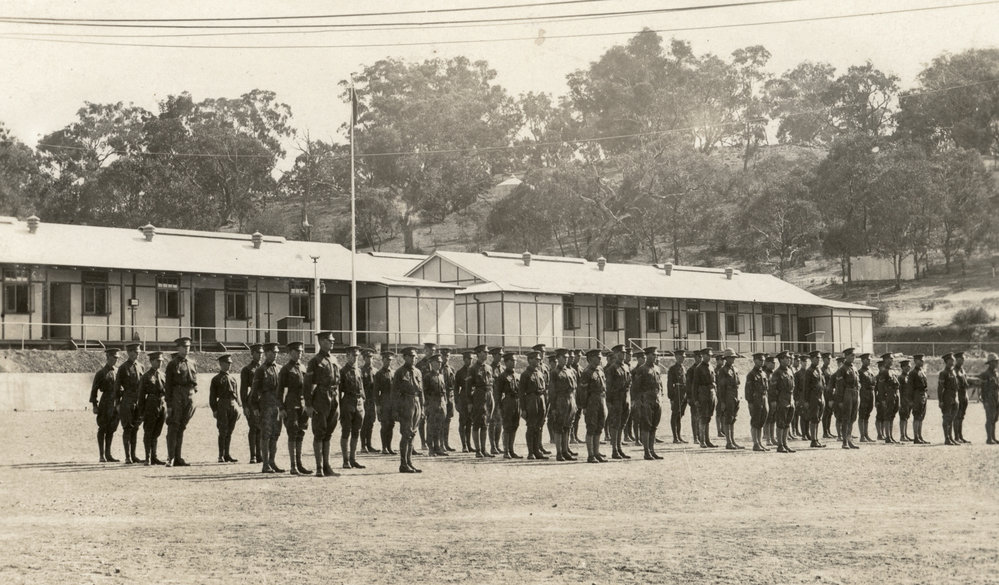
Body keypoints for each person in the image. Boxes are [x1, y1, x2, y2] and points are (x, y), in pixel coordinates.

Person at [305, 332, 339, 477]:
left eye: (332, 340)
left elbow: (338, 381)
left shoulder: (334, 359)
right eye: (330, 340)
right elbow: (307, 384)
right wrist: (308, 404)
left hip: (333, 396)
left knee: (329, 433)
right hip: (320, 397)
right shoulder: (314, 361)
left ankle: (327, 466)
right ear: (321, 342)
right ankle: (319, 467)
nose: (333, 342)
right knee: (319, 432)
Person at [165, 337, 198, 467]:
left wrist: (193, 392)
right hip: (177, 396)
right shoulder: (173, 364)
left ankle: (178, 457)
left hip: (189, 396)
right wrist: (169, 404)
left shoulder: (192, 363)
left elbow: (195, 380)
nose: (186, 349)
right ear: (178, 348)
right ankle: (171, 457)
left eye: (188, 347)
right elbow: (168, 385)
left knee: (182, 427)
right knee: (174, 426)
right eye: (184, 347)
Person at [253, 342, 284, 473]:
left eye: (276, 352)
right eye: (272, 352)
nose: (275, 355)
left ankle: (272, 461)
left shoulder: (280, 369)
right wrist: (255, 407)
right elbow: (255, 390)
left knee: (276, 434)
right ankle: (265, 464)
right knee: (265, 435)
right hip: (265, 405)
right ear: (266, 353)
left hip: (277, 406)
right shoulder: (261, 370)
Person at [392, 347, 424, 473]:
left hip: (416, 402)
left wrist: (422, 408)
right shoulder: (400, 372)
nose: (413, 359)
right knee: (406, 433)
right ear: (404, 357)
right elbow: (394, 392)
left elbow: (421, 391)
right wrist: (395, 410)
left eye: (415, 356)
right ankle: (403, 464)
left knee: (413, 434)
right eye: (410, 356)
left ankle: (410, 462)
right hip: (405, 403)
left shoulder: (418, 372)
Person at [632, 347, 664, 460]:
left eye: (656, 355)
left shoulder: (657, 368)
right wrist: (638, 401)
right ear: (647, 355)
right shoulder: (642, 369)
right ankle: (646, 452)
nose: (655, 357)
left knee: (654, 426)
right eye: (653, 355)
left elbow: (660, 384)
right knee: (646, 425)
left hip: (656, 399)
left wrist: (661, 396)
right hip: (646, 400)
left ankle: (652, 450)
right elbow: (635, 387)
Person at [115, 342, 144, 464]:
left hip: (138, 400)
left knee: (136, 428)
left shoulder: (141, 367)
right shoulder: (123, 368)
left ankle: (134, 455)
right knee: (127, 428)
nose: (138, 354)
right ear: (129, 352)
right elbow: (117, 386)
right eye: (135, 352)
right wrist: (117, 403)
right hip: (127, 400)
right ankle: (127, 456)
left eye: (138, 352)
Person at [90, 347, 120, 463]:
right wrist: (94, 405)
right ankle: (101, 455)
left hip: (115, 402)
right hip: (105, 402)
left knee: (111, 429)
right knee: (102, 427)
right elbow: (94, 390)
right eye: (113, 357)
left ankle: (109, 454)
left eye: (117, 358)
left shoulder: (118, 371)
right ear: (107, 357)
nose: (115, 360)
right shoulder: (101, 373)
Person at [209, 354, 241, 463]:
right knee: (223, 431)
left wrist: (238, 407)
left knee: (230, 431)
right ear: (221, 364)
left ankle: (227, 454)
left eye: (230, 363)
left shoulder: (233, 378)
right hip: (222, 404)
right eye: (227, 363)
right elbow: (212, 396)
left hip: (233, 404)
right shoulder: (216, 379)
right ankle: (220, 455)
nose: (229, 365)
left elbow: (236, 394)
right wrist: (214, 409)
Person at [338, 346, 367, 469]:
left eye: (357, 355)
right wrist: (339, 407)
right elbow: (339, 391)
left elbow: (362, 387)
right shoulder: (343, 371)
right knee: (346, 431)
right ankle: (345, 460)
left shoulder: (359, 370)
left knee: (356, 431)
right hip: (347, 402)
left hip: (359, 402)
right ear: (347, 356)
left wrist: (363, 400)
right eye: (353, 355)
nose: (355, 358)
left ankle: (353, 459)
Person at [579, 348, 609, 463]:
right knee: (591, 427)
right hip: (591, 401)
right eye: (598, 357)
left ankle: (597, 452)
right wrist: (584, 406)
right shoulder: (586, 372)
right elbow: (583, 391)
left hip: (601, 399)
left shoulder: (600, 370)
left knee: (599, 427)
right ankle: (590, 455)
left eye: (600, 357)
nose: (600, 359)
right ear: (591, 359)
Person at [137, 351, 167, 465]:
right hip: (151, 403)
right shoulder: (146, 376)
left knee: (157, 431)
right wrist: (141, 412)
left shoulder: (163, 375)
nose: (160, 363)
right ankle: (148, 457)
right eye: (157, 361)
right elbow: (141, 395)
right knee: (149, 431)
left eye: (161, 361)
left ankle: (154, 456)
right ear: (151, 361)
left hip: (161, 404)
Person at [520, 350, 549, 460]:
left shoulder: (540, 373)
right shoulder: (525, 374)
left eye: (539, 359)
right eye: (536, 359)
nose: (538, 361)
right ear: (530, 360)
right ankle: (531, 452)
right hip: (531, 400)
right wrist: (523, 409)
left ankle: (537, 450)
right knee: (531, 426)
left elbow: (544, 389)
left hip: (541, 399)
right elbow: (521, 393)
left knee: (539, 426)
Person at [604, 345, 632, 458]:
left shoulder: (626, 367)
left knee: (622, 424)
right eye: (621, 352)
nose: (624, 354)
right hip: (616, 399)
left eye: (624, 352)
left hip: (625, 398)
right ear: (615, 354)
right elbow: (608, 386)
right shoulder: (612, 369)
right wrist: (609, 401)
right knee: (615, 424)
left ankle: (620, 448)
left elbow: (629, 382)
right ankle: (614, 449)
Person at [496, 352, 523, 459]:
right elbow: (498, 393)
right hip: (507, 401)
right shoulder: (502, 376)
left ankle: (511, 450)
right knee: (507, 426)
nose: (514, 362)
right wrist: (498, 406)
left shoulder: (517, 375)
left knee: (515, 425)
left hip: (517, 401)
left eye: (515, 360)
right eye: (512, 361)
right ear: (506, 362)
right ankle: (506, 451)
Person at [239, 344, 263, 464]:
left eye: (261, 353)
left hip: (263, 401)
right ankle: (253, 455)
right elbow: (243, 389)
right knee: (253, 427)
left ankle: (260, 454)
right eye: (258, 353)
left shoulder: (264, 367)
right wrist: (245, 406)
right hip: (252, 400)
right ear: (252, 354)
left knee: (262, 428)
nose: (260, 355)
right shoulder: (247, 370)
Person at [422, 353, 449, 457]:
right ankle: (431, 448)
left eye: (440, 362)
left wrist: (445, 402)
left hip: (441, 403)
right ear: (432, 363)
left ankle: (438, 447)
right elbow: (425, 392)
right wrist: (426, 406)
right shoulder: (428, 377)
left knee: (440, 426)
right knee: (431, 426)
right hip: (432, 403)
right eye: (437, 362)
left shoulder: (441, 376)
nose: (439, 364)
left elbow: (444, 391)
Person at [717, 348, 743, 450]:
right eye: (731, 357)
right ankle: (728, 442)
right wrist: (722, 401)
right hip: (727, 395)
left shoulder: (735, 369)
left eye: (733, 357)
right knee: (728, 418)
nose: (733, 359)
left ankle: (733, 440)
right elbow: (721, 388)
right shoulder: (722, 371)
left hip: (735, 395)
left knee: (733, 419)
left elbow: (738, 383)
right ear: (726, 358)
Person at [835, 348, 860, 450]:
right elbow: (839, 386)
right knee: (846, 418)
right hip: (847, 393)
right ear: (846, 356)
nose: (853, 357)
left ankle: (850, 440)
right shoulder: (842, 369)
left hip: (855, 393)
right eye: (851, 355)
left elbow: (858, 382)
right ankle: (844, 441)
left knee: (853, 418)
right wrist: (840, 400)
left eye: (854, 355)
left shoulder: (854, 368)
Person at [693, 348, 718, 449]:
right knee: (703, 417)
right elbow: (695, 385)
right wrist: (696, 399)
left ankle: (708, 440)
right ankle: (702, 440)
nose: (709, 357)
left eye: (710, 355)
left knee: (708, 417)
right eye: (707, 355)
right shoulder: (699, 368)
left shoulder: (711, 367)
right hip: (702, 394)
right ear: (703, 356)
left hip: (711, 394)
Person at [772, 351, 796, 454]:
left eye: (789, 358)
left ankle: (785, 443)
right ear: (781, 360)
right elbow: (773, 389)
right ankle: (780, 445)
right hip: (781, 399)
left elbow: (793, 386)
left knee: (787, 422)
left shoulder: (790, 371)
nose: (789, 359)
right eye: (786, 358)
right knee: (780, 422)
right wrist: (774, 401)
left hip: (790, 399)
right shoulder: (777, 373)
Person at [745, 353, 770, 452]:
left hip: (764, 398)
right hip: (755, 399)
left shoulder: (763, 373)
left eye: (763, 360)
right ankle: (755, 443)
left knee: (762, 421)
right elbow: (748, 390)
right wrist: (750, 402)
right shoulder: (751, 374)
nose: (762, 362)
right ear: (755, 361)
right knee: (755, 421)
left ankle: (760, 442)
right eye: (760, 360)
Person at [415, 342, 437, 453]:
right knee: (422, 419)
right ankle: (423, 442)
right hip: (423, 395)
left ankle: (431, 442)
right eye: (430, 350)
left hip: (433, 396)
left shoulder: (437, 363)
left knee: (432, 419)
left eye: (433, 350)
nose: (432, 352)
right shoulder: (420, 365)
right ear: (425, 351)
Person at [374, 350, 396, 456]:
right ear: (382, 360)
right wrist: (378, 405)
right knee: (385, 425)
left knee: (391, 425)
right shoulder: (379, 374)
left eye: (390, 360)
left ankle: (389, 447)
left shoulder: (394, 373)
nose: (388, 362)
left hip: (393, 402)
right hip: (384, 401)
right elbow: (376, 391)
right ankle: (384, 447)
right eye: (387, 360)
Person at [874, 356, 900, 445]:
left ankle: (891, 436)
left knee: (892, 416)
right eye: (890, 359)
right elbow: (880, 387)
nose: (891, 360)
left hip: (894, 395)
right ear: (885, 360)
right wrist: (882, 399)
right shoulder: (884, 372)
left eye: (892, 359)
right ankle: (887, 437)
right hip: (887, 396)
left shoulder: (892, 371)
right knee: (887, 416)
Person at [803, 351, 826, 448]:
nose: (818, 359)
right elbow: (806, 387)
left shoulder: (819, 370)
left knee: (818, 418)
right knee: (814, 418)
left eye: (819, 358)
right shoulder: (809, 371)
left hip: (820, 396)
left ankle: (816, 439)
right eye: (816, 358)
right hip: (813, 397)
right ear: (811, 359)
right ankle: (813, 440)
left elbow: (823, 383)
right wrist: (806, 400)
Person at [938, 353, 960, 446]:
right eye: (951, 360)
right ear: (947, 361)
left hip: (954, 396)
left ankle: (951, 437)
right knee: (946, 417)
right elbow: (940, 388)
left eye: (953, 360)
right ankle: (946, 438)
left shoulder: (953, 372)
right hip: (947, 396)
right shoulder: (943, 373)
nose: (953, 361)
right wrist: (940, 400)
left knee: (952, 418)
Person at [666, 349, 688, 444]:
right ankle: (675, 437)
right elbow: (669, 384)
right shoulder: (672, 369)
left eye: (683, 357)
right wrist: (671, 398)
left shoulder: (683, 368)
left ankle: (679, 436)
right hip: (677, 392)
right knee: (675, 415)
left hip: (684, 393)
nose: (682, 358)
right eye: (680, 357)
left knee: (680, 415)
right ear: (676, 357)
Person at [453, 350, 474, 453]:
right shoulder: (460, 372)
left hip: (473, 398)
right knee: (463, 422)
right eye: (467, 359)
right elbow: (456, 388)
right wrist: (456, 402)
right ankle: (464, 445)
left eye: (471, 359)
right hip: (463, 398)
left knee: (470, 422)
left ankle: (469, 445)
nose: (469, 361)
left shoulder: (474, 370)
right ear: (464, 360)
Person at [908, 354, 930, 444]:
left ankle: (920, 436)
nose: (922, 362)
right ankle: (916, 437)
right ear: (915, 361)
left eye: (923, 360)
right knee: (917, 416)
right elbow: (910, 387)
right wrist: (910, 400)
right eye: (920, 360)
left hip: (923, 394)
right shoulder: (913, 373)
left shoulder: (922, 371)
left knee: (921, 416)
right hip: (917, 395)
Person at [488, 346, 505, 455]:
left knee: (500, 423)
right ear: (493, 356)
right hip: (493, 398)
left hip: (502, 399)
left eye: (501, 355)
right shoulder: (489, 368)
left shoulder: (503, 368)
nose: (500, 357)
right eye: (499, 355)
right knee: (492, 423)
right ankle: (492, 446)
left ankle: (497, 445)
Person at [439, 346, 457, 452]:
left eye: (447, 356)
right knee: (441, 420)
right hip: (441, 397)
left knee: (448, 420)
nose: (446, 358)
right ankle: (440, 444)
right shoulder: (438, 369)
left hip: (450, 397)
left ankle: (446, 443)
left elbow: (454, 384)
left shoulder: (451, 369)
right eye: (443, 355)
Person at [360, 348, 378, 453]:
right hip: (364, 400)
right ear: (364, 358)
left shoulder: (375, 371)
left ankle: (369, 445)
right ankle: (363, 445)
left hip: (372, 400)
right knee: (364, 423)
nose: (369, 359)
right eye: (367, 357)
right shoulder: (361, 371)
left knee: (371, 422)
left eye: (371, 357)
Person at [857, 353, 876, 443]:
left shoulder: (870, 371)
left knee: (867, 414)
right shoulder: (860, 372)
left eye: (869, 359)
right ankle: (862, 436)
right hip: (863, 394)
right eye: (867, 359)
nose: (869, 361)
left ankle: (866, 434)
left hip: (871, 393)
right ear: (862, 361)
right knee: (862, 414)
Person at [981, 353, 999, 444]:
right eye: (995, 362)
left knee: (995, 419)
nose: (997, 363)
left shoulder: (996, 373)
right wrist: (985, 401)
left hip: (996, 398)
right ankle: (989, 438)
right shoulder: (985, 374)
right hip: (989, 398)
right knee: (989, 418)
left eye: (997, 361)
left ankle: (993, 437)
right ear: (990, 363)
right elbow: (983, 389)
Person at [954, 351, 971, 444]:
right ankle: (956, 437)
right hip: (959, 395)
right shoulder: (954, 370)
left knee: (961, 416)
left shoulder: (962, 370)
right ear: (957, 360)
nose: (963, 360)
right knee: (957, 416)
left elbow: (965, 382)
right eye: (961, 359)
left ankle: (960, 436)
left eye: (963, 359)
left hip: (964, 395)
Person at [686, 351, 702, 445]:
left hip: (702, 396)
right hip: (694, 396)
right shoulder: (691, 370)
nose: (700, 358)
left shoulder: (703, 368)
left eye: (701, 357)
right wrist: (689, 397)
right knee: (695, 417)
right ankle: (695, 437)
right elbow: (688, 385)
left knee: (702, 417)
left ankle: (701, 436)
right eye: (698, 357)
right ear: (695, 358)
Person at [821, 353, 838, 440]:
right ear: (823, 360)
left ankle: (828, 430)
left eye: (830, 359)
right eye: (827, 359)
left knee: (830, 413)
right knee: (826, 413)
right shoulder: (822, 370)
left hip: (831, 393)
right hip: (826, 394)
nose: (829, 360)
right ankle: (825, 432)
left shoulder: (830, 369)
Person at [763, 355, 778, 446]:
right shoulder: (765, 374)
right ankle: (768, 439)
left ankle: (773, 438)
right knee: (768, 420)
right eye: (771, 363)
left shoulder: (774, 374)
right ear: (767, 363)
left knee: (773, 419)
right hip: (768, 399)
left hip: (775, 399)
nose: (773, 365)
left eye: (774, 363)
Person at [897, 358, 913, 442]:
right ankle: (902, 435)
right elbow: (899, 391)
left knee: (906, 417)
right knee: (903, 417)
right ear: (902, 367)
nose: (908, 368)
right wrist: (900, 402)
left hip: (909, 400)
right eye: (906, 366)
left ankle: (905, 434)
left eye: (909, 366)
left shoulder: (909, 377)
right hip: (903, 400)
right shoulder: (901, 377)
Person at [715, 353, 727, 439]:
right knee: (719, 413)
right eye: (721, 360)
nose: (722, 361)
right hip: (718, 393)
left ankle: (723, 430)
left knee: (724, 413)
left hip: (724, 393)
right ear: (717, 361)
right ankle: (719, 431)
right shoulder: (716, 370)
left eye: (723, 360)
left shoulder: (724, 370)